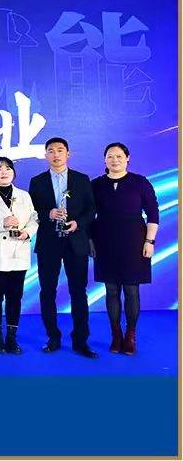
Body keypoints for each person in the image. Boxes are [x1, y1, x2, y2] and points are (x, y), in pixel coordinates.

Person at [28, 137, 97, 358]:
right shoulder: (37, 181)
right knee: (47, 291)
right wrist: (47, 213)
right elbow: (30, 212)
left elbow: (91, 210)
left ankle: (80, 340)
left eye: (60, 150)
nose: (55, 154)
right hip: (49, 243)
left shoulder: (82, 179)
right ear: (45, 155)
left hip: (75, 242)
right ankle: (53, 337)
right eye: (51, 151)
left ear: (68, 154)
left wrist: (78, 223)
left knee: (79, 291)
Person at [91, 142, 159, 355]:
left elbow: (153, 213)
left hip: (134, 243)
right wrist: (90, 242)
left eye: (119, 156)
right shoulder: (96, 184)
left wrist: (149, 242)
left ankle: (130, 336)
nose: (115, 160)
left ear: (127, 158)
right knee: (111, 290)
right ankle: (116, 335)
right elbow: (87, 216)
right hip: (104, 242)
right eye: (110, 156)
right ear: (104, 160)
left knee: (131, 290)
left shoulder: (140, 182)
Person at [0, 157, 38, 354]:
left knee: (15, 298)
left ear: (14, 173)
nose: (3, 172)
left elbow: (34, 219)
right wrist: (3, 222)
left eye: (8, 168)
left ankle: (11, 338)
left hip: (17, 252)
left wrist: (27, 232)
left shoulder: (24, 196)